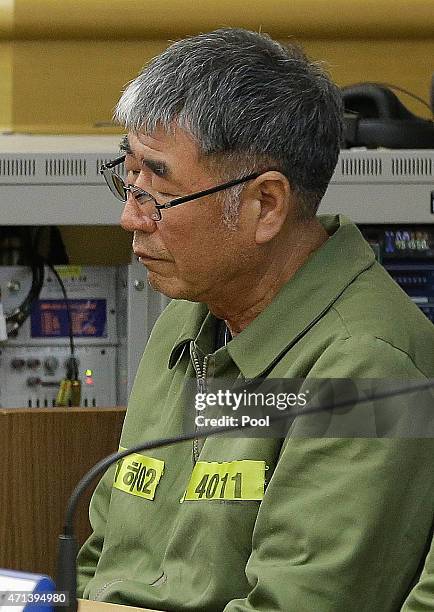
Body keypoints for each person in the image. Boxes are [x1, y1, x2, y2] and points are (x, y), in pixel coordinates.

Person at [77, 28, 434, 611]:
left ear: (265, 204)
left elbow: (297, 605)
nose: (129, 218)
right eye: (129, 176)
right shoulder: (187, 320)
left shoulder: (369, 370)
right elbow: (101, 562)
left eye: (157, 190)